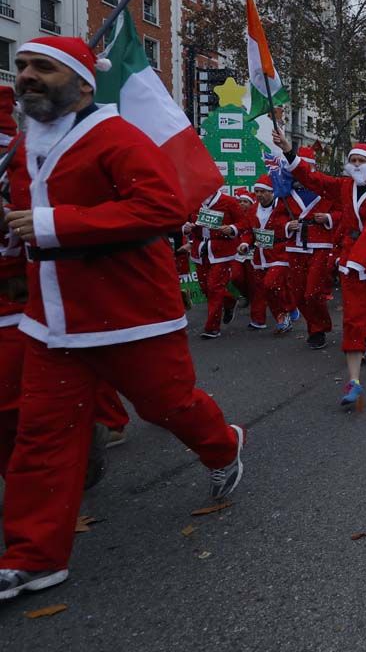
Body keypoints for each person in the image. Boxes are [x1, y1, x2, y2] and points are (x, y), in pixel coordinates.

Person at [0, 37, 244, 601]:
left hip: (131, 316)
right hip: (52, 322)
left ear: (85, 85)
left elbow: (162, 207)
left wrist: (56, 224)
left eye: (42, 67)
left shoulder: (115, 136)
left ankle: (223, 446)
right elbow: (21, 226)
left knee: (169, 407)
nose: (28, 76)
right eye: (22, 67)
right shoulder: (21, 147)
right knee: (41, 439)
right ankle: (33, 557)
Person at [273, 127, 366, 407]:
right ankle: (354, 381)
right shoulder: (344, 186)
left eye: (361, 161)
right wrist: (288, 149)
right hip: (352, 264)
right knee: (354, 320)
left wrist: (356, 260)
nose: (356, 165)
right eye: (352, 160)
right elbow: (312, 178)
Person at [282, 145, 337, 350]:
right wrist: (287, 225)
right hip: (295, 246)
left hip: (319, 245)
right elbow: (276, 217)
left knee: (312, 292)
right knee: (297, 293)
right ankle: (313, 325)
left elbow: (343, 211)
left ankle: (318, 328)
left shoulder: (326, 191)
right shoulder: (285, 192)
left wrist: (329, 217)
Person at [185, 188, 248, 339]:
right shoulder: (193, 201)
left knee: (214, 287)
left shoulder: (229, 201)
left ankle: (212, 327)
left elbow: (244, 222)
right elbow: (185, 220)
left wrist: (232, 228)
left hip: (222, 251)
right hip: (200, 251)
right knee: (205, 287)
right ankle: (229, 302)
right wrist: (186, 227)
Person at [240, 175, 295, 334]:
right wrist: (244, 244)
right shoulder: (252, 210)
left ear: (272, 192)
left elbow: (295, 221)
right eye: (256, 191)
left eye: (263, 191)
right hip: (260, 255)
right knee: (265, 289)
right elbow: (248, 231)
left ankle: (284, 313)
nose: (258, 195)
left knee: (270, 284)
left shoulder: (284, 206)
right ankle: (284, 313)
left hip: (280, 253)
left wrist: (288, 226)